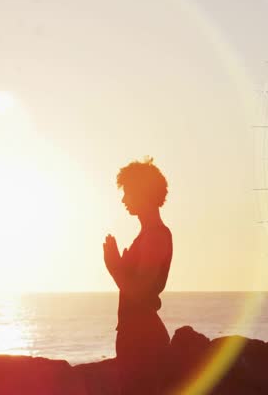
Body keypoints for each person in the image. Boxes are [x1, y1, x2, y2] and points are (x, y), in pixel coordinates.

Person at [103, 157, 172, 394]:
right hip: (135, 335)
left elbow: (141, 292)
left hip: (143, 339)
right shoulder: (147, 236)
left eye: (128, 192)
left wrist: (114, 267)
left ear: (143, 193)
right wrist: (120, 267)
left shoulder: (155, 236)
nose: (123, 199)